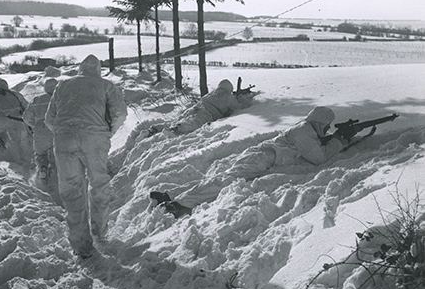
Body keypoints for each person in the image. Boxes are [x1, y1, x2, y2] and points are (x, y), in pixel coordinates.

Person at [151, 106, 365, 218]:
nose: (327, 130)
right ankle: (180, 204)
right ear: (321, 122)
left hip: (261, 156)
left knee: (220, 179)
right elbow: (319, 157)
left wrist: (338, 139)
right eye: (327, 126)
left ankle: (173, 196)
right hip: (262, 158)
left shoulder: (306, 129)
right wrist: (339, 141)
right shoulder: (305, 132)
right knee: (224, 181)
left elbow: (315, 148)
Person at [45, 54, 127, 258]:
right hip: (95, 139)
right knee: (99, 185)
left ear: (80, 69)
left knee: (72, 189)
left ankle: (81, 245)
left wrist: (62, 132)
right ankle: (99, 233)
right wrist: (107, 132)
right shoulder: (106, 85)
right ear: (98, 69)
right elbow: (120, 114)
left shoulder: (62, 85)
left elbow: (49, 118)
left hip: (64, 139)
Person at [149, 79, 251, 136]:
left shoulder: (213, 93)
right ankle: (175, 129)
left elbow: (203, 99)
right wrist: (243, 98)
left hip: (196, 107)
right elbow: (240, 107)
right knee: (193, 123)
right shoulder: (229, 97)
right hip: (207, 113)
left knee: (180, 118)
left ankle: (157, 128)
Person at [0, 79, 30, 164]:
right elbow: (26, 106)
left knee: (1, 134)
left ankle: (2, 151)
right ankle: (20, 159)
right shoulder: (15, 94)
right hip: (16, 120)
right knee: (16, 140)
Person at [23, 78, 58, 181]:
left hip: (40, 130)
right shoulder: (61, 99)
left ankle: (43, 168)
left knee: (41, 154)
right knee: (57, 153)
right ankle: (56, 175)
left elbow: (26, 117)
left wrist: (35, 125)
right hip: (57, 130)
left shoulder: (37, 100)